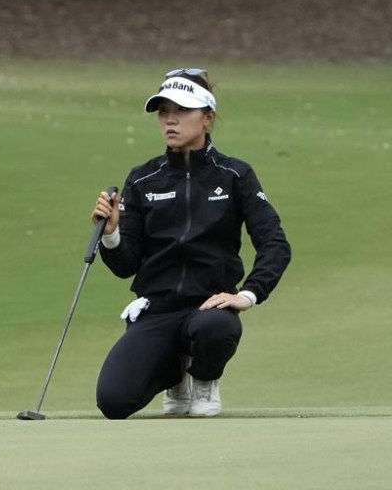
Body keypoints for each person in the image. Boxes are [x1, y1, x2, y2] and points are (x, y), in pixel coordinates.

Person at [90, 68, 291, 419]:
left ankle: (204, 378)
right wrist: (111, 233)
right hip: (158, 309)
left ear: (207, 118)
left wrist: (247, 294)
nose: (171, 120)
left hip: (209, 310)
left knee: (215, 327)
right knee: (113, 402)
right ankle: (175, 372)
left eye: (182, 111)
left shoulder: (234, 175)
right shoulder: (143, 178)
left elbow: (274, 242)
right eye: (164, 112)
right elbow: (125, 265)